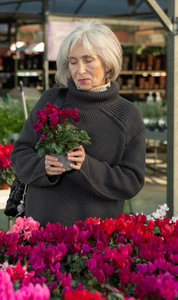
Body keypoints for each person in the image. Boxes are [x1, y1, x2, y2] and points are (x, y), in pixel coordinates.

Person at [10, 20, 145, 226]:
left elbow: (131, 182)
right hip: (39, 232)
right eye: (73, 62)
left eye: (88, 60)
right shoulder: (52, 100)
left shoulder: (127, 114)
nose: (80, 70)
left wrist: (86, 166)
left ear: (108, 62)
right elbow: (20, 153)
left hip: (93, 241)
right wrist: (42, 167)